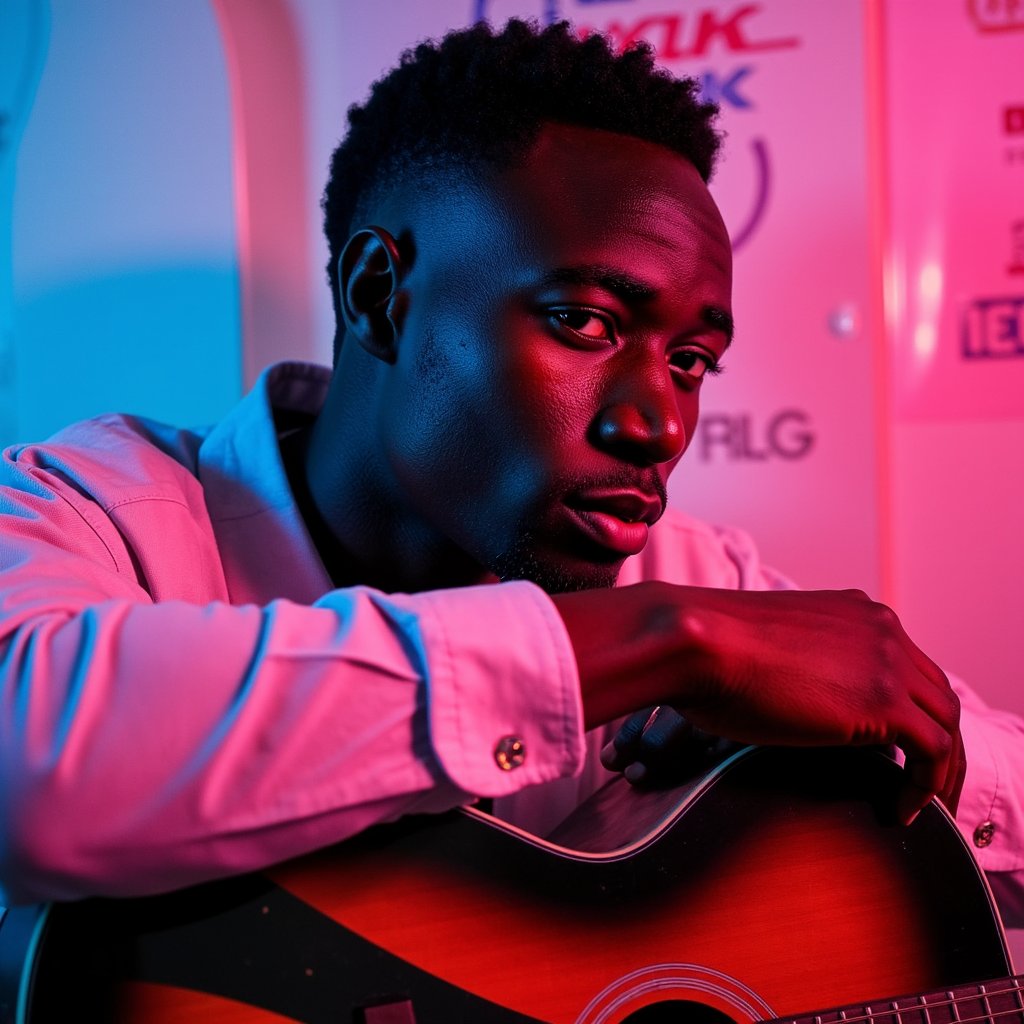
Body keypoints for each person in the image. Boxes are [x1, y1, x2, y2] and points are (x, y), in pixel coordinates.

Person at [0, 19, 1020, 924]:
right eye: (584, 322)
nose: (658, 424)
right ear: (379, 294)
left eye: (690, 361)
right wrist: (662, 645)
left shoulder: (691, 573)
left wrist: (882, 761)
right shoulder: (87, 510)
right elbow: (29, 769)